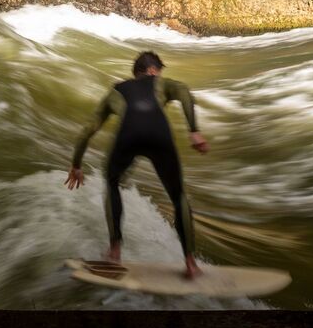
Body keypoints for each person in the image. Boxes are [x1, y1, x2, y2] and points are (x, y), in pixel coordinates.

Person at [65, 51, 209, 278]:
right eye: (159, 72)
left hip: (128, 137)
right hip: (159, 136)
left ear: (136, 73)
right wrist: (194, 130)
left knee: (112, 182)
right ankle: (191, 264)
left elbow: (88, 130)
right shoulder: (161, 83)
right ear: (152, 70)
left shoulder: (116, 91)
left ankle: (114, 252)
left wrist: (76, 165)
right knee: (178, 196)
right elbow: (183, 91)